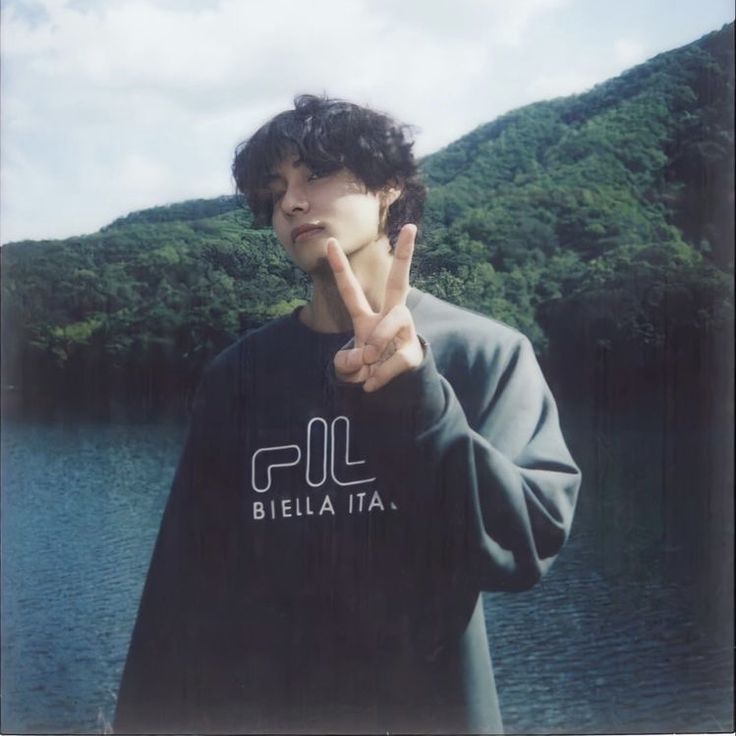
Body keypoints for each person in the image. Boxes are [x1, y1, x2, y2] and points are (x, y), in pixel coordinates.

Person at [114, 94, 581, 734]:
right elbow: (182, 591)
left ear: (389, 187)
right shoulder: (238, 378)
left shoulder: (484, 354)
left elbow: (525, 539)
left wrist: (415, 396)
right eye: (275, 190)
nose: (292, 202)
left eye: (315, 175)